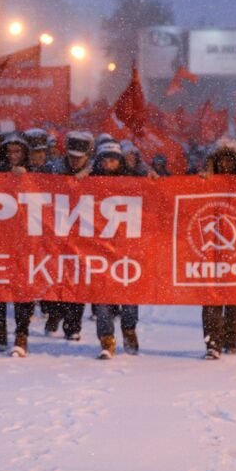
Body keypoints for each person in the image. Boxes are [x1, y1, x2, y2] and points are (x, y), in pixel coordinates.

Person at [199, 140, 236, 359]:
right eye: (220, 161)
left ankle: (230, 340)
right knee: (211, 294)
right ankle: (212, 342)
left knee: (234, 293)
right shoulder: (204, 182)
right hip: (210, 249)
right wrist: (198, 183)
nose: (224, 165)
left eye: (228, 161)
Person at [88, 141, 140, 358]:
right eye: (105, 160)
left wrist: (154, 179)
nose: (109, 164)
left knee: (129, 294)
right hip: (99, 247)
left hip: (127, 247)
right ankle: (106, 339)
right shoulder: (89, 181)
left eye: (113, 160)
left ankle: (129, 330)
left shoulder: (133, 181)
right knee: (102, 296)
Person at [0, 132, 37, 356]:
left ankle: (21, 334)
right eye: (9, 151)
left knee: (23, 290)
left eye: (17, 151)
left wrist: (27, 179)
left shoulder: (34, 172)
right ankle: (0, 331)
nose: (13, 155)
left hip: (25, 241)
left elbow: (47, 193)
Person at [44, 130, 95, 341]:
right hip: (55, 233)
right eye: (72, 156)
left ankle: (73, 326)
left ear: (87, 156)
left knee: (78, 281)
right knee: (55, 277)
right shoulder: (52, 169)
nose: (75, 161)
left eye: (79, 158)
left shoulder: (96, 172)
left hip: (83, 235)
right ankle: (54, 314)